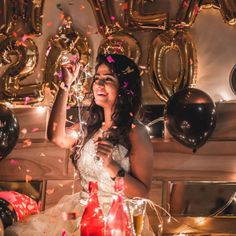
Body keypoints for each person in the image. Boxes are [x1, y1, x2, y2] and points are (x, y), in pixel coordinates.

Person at [5, 53, 154, 235]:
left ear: (124, 87)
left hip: (116, 220)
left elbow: (142, 192)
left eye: (107, 79)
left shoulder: (135, 132)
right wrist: (65, 85)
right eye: (97, 78)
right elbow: (56, 136)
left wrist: (111, 165)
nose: (98, 84)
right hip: (79, 213)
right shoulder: (89, 127)